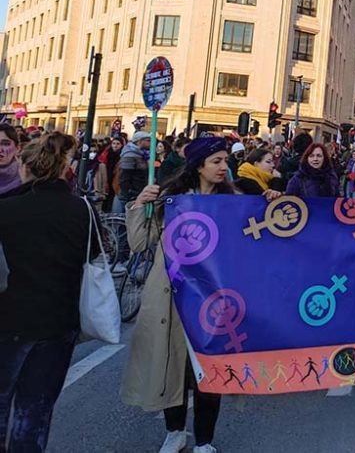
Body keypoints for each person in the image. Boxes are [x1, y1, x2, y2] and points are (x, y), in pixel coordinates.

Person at [122, 136, 236, 453]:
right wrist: (139, 205)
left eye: (225, 161)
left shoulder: (232, 202)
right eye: (217, 161)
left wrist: (272, 199)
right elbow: (140, 242)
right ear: (198, 165)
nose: (223, 167)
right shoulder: (170, 200)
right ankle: (174, 431)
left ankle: (204, 440)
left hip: (214, 299)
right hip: (172, 296)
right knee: (170, 364)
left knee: (208, 369)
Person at [0, 132, 96, 451]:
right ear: (63, 168)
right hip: (58, 321)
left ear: (25, 166)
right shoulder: (81, 210)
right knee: (35, 413)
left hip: (8, 320)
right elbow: (92, 256)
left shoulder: (7, 208)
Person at [116, 131, 151, 214]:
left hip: (137, 191)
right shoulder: (130, 155)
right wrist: (128, 192)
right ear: (140, 141)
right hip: (131, 194)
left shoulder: (142, 154)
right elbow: (124, 176)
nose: (150, 143)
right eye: (148, 140)